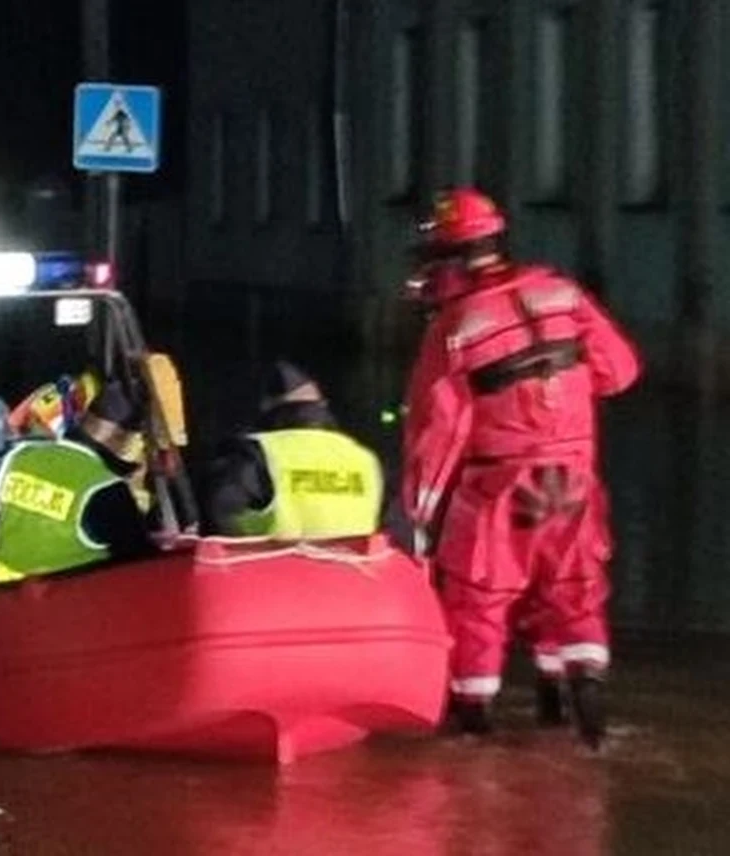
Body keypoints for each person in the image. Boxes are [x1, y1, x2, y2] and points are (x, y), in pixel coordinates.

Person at [401, 187, 641, 747]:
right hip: (572, 480)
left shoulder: (454, 328)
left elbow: (441, 431)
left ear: (450, 258)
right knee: (573, 588)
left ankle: (474, 723)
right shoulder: (563, 294)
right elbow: (621, 370)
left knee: (477, 601)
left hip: (497, 487)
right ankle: (580, 705)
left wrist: (420, 515)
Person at [0, 381, 154, 583]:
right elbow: (140, 566)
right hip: (65, 606)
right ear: (120, 454)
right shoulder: (104, 488)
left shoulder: (19, 457)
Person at [202, 360, 384, 540]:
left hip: (271, 566)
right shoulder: (363, 457)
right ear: (322, 405)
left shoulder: (257, 452)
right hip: (353, 567)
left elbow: (219, 520)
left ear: (268, 409)